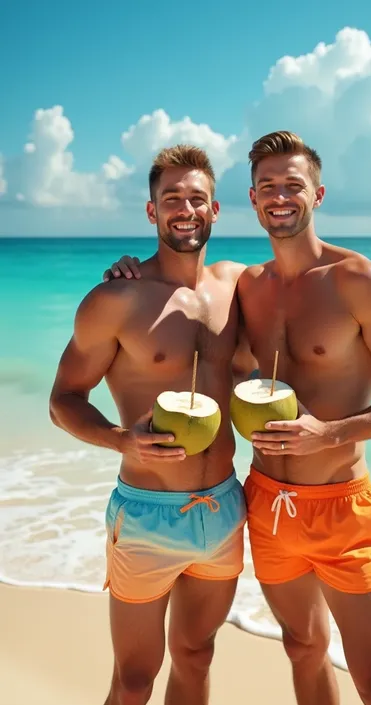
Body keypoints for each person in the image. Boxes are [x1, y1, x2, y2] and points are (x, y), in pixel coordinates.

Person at [102, 131, 371, 705]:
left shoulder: (361, 280)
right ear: (252, 202)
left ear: (319, 193)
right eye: (267, 187)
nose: (280, 196)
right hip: (264, 504)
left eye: (293, 185)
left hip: (341, 505)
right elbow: (196, 328)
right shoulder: (246, 286)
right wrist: (130, 271)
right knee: (303, 647)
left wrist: (330, 432)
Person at [49, 145, 256, 705]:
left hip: (222, 509)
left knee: (196, 657)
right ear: (151, 211)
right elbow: (64, 399)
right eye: (172, 199)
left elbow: (306, 289)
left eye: (197, 198)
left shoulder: (240, 285)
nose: (185, 209)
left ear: (215, 210)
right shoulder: (116, 298)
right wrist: (119, 439)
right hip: (146, 515)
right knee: (135, 679)